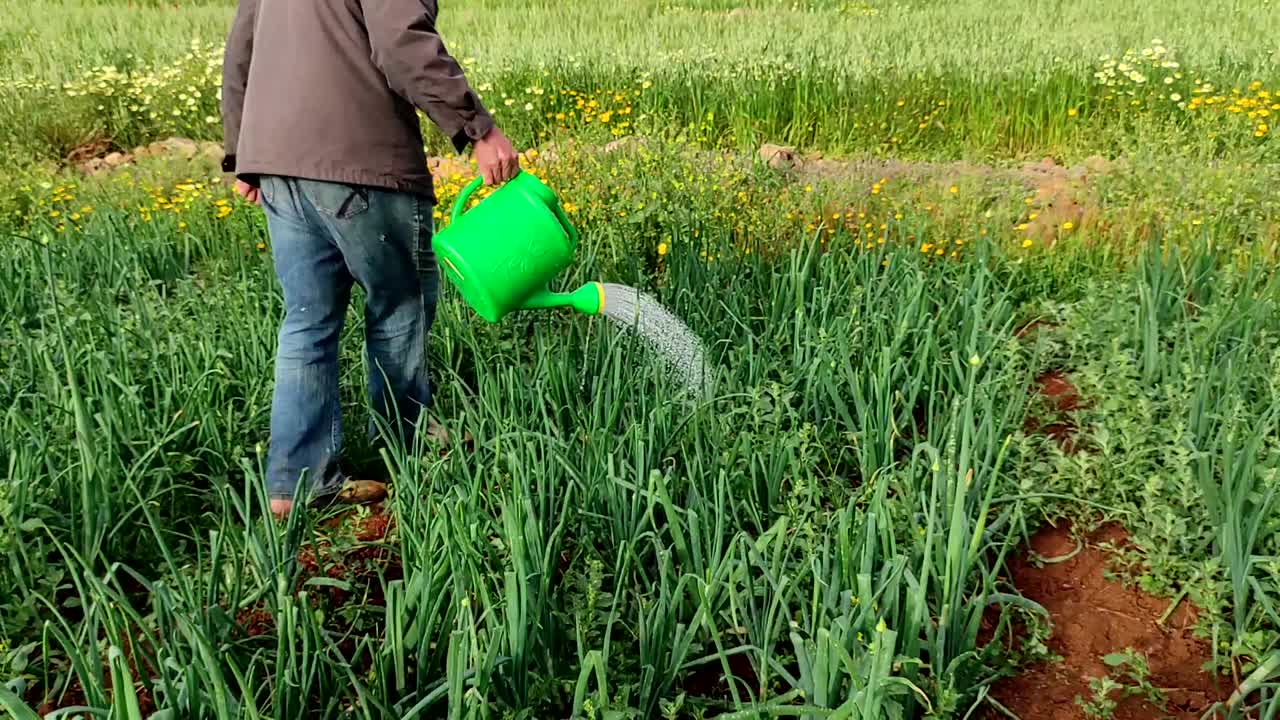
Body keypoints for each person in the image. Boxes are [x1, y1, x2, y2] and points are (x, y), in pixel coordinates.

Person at [219, 0, 518, 518]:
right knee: (399, 308)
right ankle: (410, 455)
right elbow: (401, 39)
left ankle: (295, 486)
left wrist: (241, 153)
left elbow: (241, 49)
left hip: (277, 165)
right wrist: (478, 129)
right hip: (362, 161)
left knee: (307, 322)